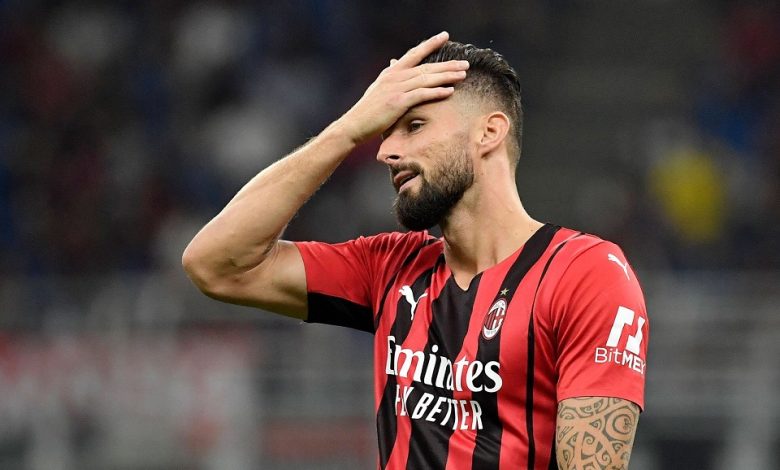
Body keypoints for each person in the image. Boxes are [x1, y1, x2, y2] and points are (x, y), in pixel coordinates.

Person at [182, 32, 648, 470]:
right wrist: (346, 131)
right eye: (384, 131)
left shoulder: (586, 274)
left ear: (489, 132)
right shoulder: (388, 267)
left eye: (414, 126)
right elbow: (216, 264)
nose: (386, 151)